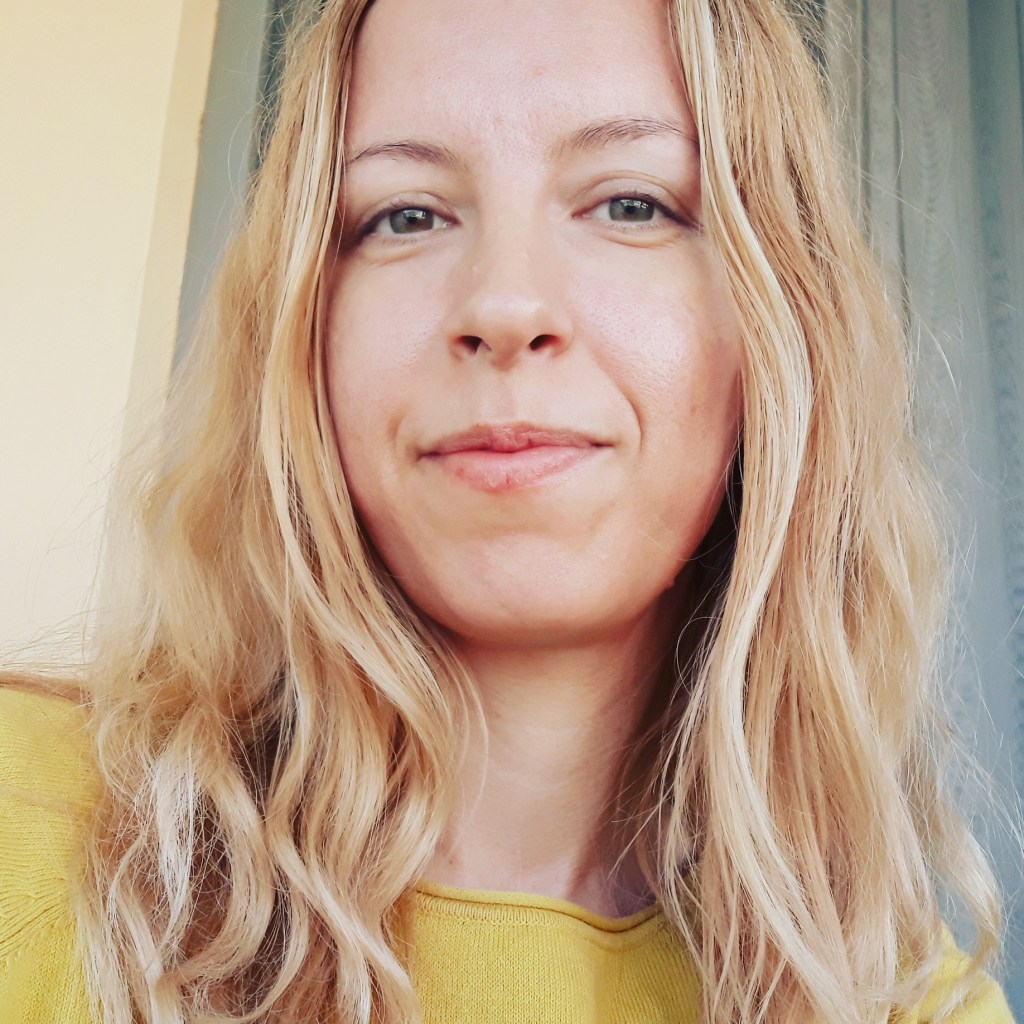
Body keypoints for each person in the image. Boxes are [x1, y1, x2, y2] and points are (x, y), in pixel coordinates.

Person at [0, 0, 1016, 1021]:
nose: (504, 305)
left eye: (631, 204)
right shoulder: (25, 828)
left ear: (780, 320)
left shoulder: (896, 999)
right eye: (406, 215)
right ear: (303, 326)